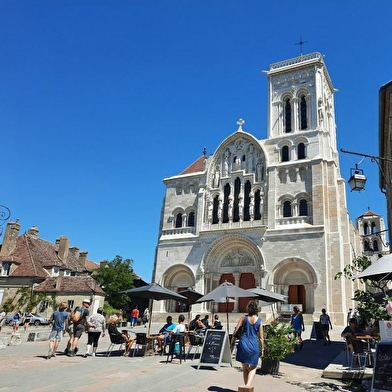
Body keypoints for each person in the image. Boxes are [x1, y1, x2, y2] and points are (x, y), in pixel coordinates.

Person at [231, 300, 264, 388]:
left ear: (248, 308)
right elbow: (261, 337)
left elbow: (236, 331)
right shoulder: (259, 321)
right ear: (256, 309)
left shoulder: (243, 318)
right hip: (254, 345)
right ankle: (247, 386)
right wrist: (262, 349)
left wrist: (232, 343)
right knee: (253, 368)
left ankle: (246, 387)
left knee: (245, 368)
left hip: (243, 344)